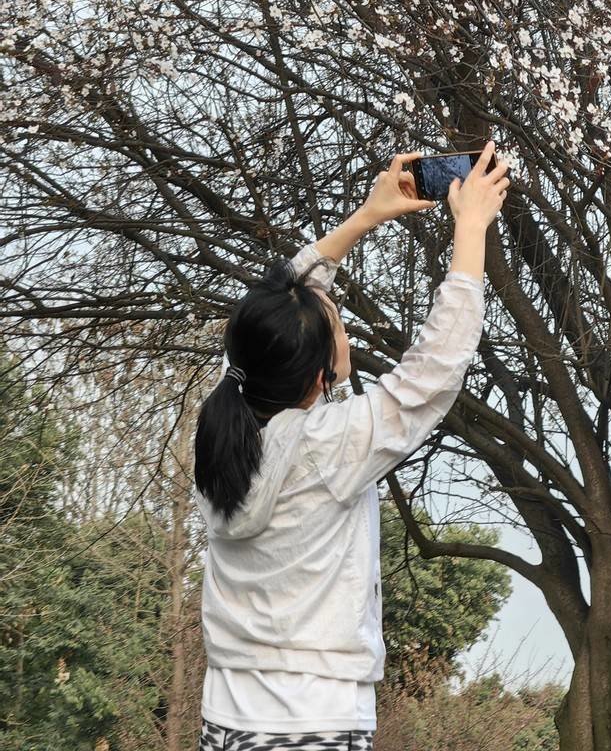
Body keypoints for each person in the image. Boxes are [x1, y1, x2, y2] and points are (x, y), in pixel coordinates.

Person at [193, 141, 509, 751]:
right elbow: (432, 374)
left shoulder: (222, 419)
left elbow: (271, 312)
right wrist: (470, 232)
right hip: (312, 725)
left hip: (227, 719)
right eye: (338, 323)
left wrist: (367, 216)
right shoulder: (325, 445)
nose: (341, 321)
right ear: (321, 375)